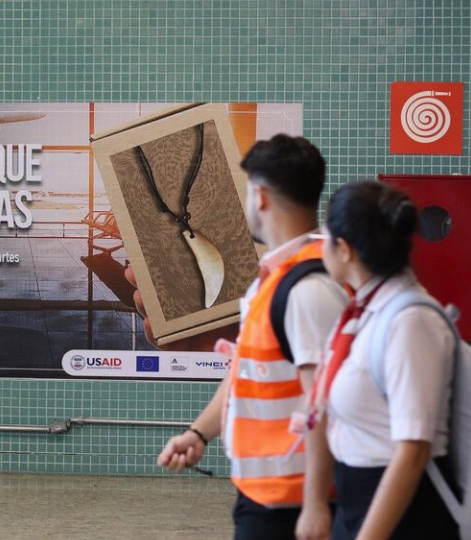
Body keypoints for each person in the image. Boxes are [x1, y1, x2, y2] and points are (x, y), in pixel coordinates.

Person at [131, 134, 348, 540]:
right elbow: (245, 370)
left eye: (247, 190)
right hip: (265, 494)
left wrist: (317, 505)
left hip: (295, 502)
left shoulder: (308, 289)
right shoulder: (273, 280)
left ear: (261, 196)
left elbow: (323, 404)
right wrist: (199, 433)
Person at [300, 181, 459, 540]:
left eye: (324, 237)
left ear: (343, 250)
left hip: (403, 514)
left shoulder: (409, 321)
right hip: (360, 498)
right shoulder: (368, 311)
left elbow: (413, 451)